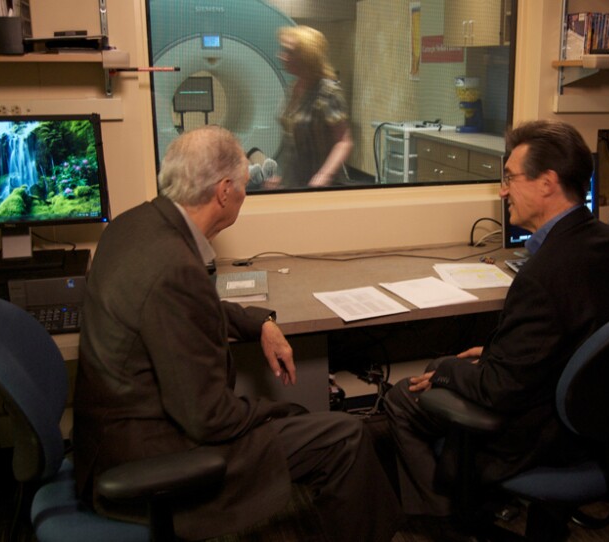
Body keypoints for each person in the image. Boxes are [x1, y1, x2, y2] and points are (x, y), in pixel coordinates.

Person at [73, 125, 401, 541]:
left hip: (105, 439)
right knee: (346, 435)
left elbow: (179, 310)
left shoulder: (133, 226)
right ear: (225, 191)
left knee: (312, 423)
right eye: (245, 186)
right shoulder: (176, 268)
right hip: (152, 454)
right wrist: (275, 410)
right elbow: (209, 419)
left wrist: (258, 321)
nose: (245, 195)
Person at [384, 120, 609, 517]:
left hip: (546, 436)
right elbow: (575, 339)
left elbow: (497, 390)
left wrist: (445, 367)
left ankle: (457, 521)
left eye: (509, 178)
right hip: (603, 426)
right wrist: (495, 352)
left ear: (547, 183)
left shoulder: (542, 275)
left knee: (401, 398)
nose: (503, 190)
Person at [265, 25, 353, 189]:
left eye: (289, 52)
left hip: (320, 187)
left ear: (306, 56)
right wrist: (284, 179)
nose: (281, 56)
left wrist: (323, 176)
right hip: (295, 183)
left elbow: (343, 142)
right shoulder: (294, 88)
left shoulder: (327, 92)